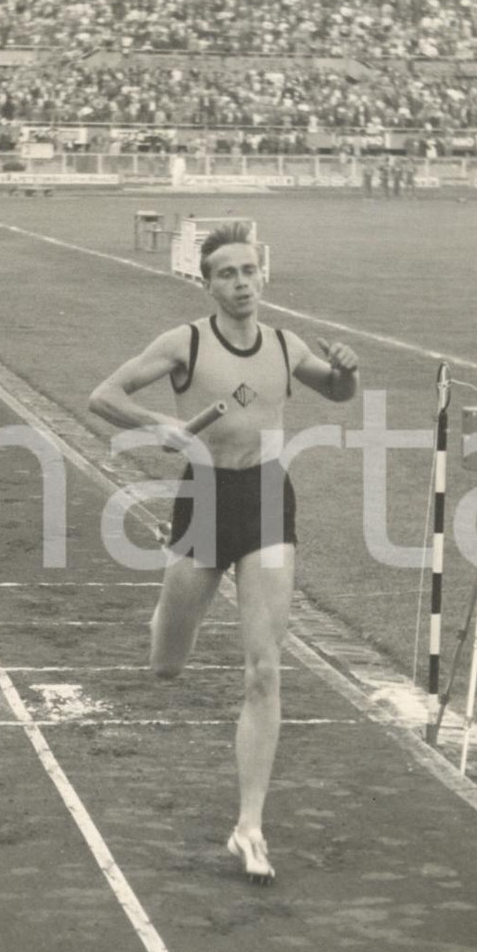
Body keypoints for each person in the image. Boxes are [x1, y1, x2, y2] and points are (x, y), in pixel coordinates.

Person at [88, 222, 360, 883]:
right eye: (227, 274)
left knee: (264, 668)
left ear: (262, 275)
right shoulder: (184, 342)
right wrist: (160, 425)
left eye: (248, 271)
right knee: (166, 664)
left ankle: (249, 827)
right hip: (203, 498)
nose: (241, 284)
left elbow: (338, 391)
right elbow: (104, 397)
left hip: (268, 499)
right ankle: (166, 599)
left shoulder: (285, 345)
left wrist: (349, 372)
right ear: (206, 284)